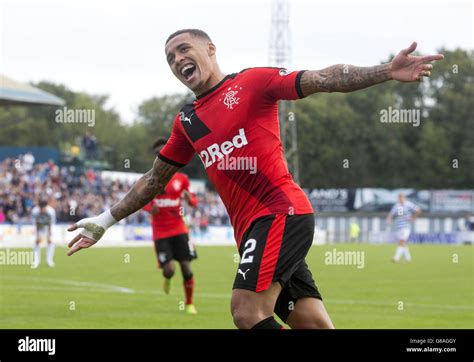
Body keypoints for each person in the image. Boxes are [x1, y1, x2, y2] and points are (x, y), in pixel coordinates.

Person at [67, 29, 443, 329]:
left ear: (210, 49)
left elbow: (324, 78)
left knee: (246, 311)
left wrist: (385, 72)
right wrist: (104, 220)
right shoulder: (186, 122)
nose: (177, 59)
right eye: (170, 58)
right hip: (254, 231)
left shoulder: (253, 83)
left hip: (280, 213)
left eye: (183, 49)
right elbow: (153, 180)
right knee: (312, 324)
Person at [143, 137, 199, 315]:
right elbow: (140, 201)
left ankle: (189, 303)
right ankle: (167, 279)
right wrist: (151, 207)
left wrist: (191, 200)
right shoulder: (150, 179)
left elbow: (193, 201)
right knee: (169, 270)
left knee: (186, 267)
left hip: (179, 229)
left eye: (162, 152)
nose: (160, 155)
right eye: (156, 154)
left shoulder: (181, 178)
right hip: (160, 232)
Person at [386, 193, 421, 262]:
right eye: (399, 198)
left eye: (402, 197)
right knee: (403, 242)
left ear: (404, 198)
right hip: (399, 227)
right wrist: (389, 219)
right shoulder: (398, 206)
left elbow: (418, 210)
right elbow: (392, 214)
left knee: (402, 241)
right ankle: (408, 258)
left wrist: (413, 217)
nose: (400, 199)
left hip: (406, 227)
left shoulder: (408, 204)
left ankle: (396, 258)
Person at [31, 199, 56, 268]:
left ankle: (49, 260)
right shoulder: (35, 211)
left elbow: (51, 223)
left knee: (50, 242)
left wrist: (49, 235)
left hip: (48, 227)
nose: (42, 209)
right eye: (40, 208)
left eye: (43, 208)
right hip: (39, 227)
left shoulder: (51, 211)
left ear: (46, 206)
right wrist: (37, 235)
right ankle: (36, 261)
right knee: (36, 242)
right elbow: (35, 223)